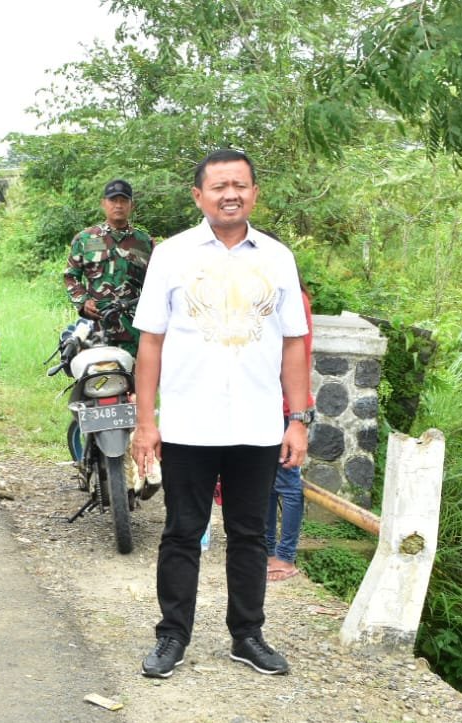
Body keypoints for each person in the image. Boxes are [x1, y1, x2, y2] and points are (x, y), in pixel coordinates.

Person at [130, 149, 312, 679]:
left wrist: (297, 418)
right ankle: (172, 637)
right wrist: (147, 423)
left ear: (255, 192)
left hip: (256, 424)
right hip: (189, 422)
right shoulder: (172, 255)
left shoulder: (277, 257)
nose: (229, 194)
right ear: (198, 196)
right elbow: (151, 343)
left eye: (240, 185)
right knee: (182, 531)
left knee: (250, 533)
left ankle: (247, 635)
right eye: (218, 186)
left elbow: (295, 344)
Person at [63, 178, 152, 353]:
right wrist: (83, 302)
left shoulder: (145, 242)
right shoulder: (85, 239)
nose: (118, 205)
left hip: (134, 327)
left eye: (123, 200)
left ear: (131, 205)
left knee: (134, 378)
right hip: (97, 325)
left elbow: (156, 284)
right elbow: (70, 276)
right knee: (94, 376)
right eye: (113, 200)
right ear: (103, 203)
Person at [266, 282, 314, 582]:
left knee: (288, 484)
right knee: (268, 485)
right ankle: (268, 551)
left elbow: (297, 353)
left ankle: (285, 556)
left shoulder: (295, 299)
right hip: (268, 405)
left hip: (287, 407)